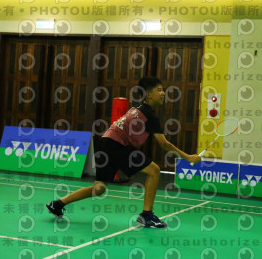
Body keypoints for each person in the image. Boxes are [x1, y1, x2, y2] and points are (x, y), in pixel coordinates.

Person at [46, 76, 201, 228]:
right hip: (116, 145)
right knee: (154, 171)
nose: (163, 93)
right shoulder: (149, 116)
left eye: (163, 90)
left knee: (99, 188)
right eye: (159, 90)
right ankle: (147, 215)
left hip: (105, 143)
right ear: (148, 94)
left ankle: (58, 204)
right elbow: (165, 144)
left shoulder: (137, 109)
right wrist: (188, 157)